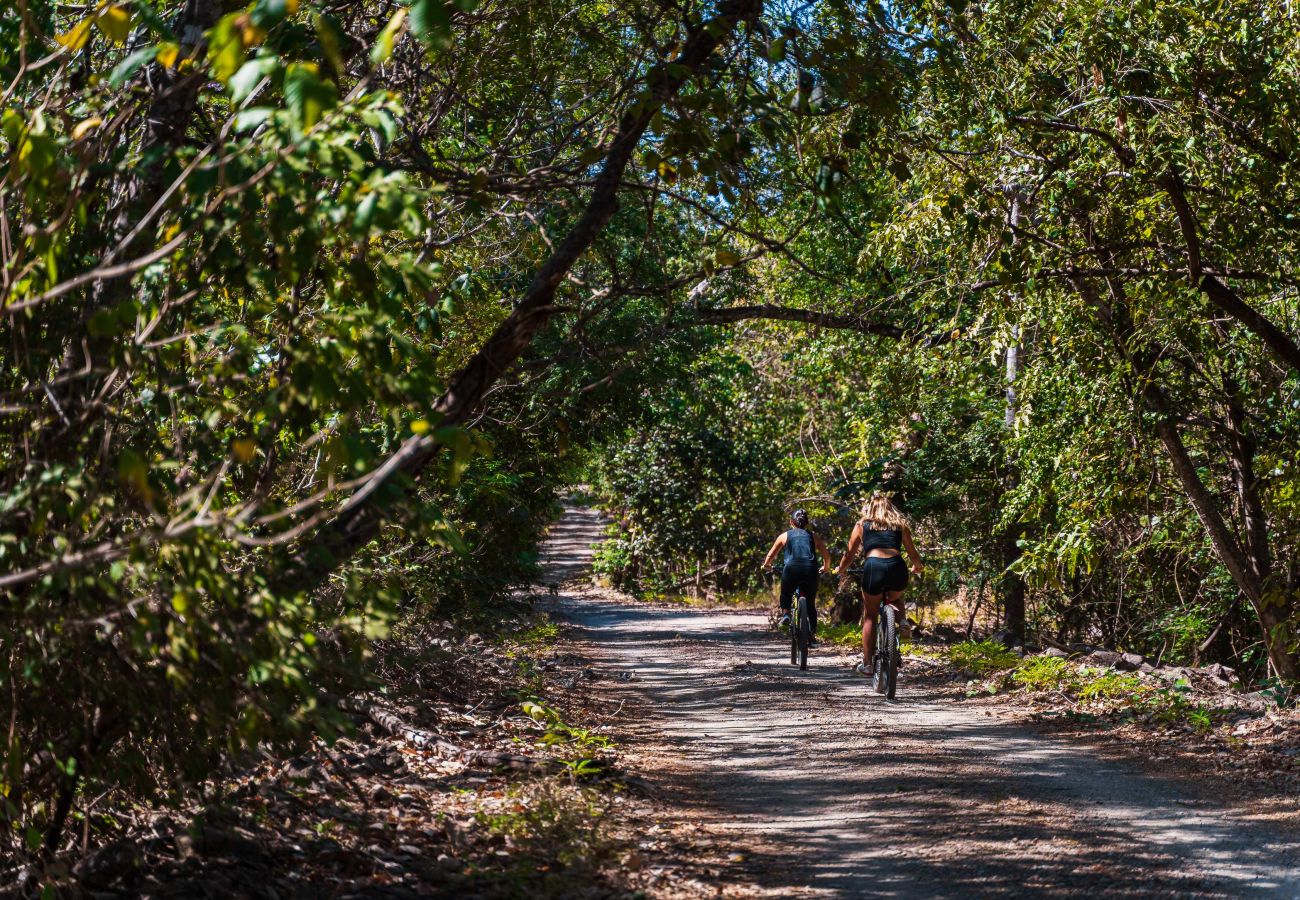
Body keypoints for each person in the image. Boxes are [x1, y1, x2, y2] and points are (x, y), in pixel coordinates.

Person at [836, 493, 923, 683]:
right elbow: (912, 553)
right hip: (897, 566)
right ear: (890, 507)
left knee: (870, 615)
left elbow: (849, 554)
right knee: (893, 596)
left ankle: (867, 664)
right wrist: (917, 566)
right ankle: (902, 622)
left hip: (873, 566)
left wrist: (841, 569)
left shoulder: (861, 525)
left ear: (869, 508)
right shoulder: (900, 525)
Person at [762, 509, 833, 640]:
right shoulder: (813, 536)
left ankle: (786, 614)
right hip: (810, 570)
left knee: (785, 593)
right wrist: (826, 568)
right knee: (810, 604)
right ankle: (811, 634)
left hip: (791, 569)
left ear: (791, 522)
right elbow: (827, 556)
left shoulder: (784, 536)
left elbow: (771, 554)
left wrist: (767, 565)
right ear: (807, 523)